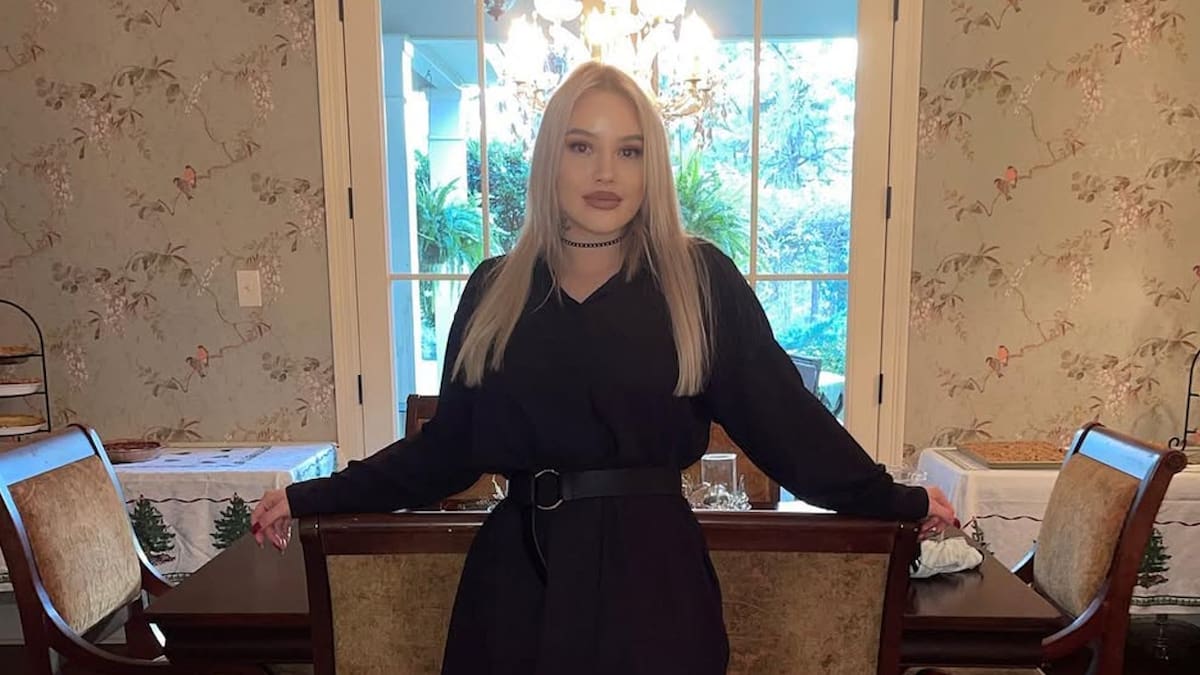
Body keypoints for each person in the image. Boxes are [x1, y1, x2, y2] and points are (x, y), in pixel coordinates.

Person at [251, 61, 956, 674]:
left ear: (652, 167)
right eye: (582, 145)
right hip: (516, 587)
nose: (606, 172)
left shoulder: (697, 282)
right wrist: (316, 495)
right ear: (550, 158)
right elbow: (446, 450)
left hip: (653, 586)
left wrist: (899, 498)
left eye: (629, 150)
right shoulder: (495, 289)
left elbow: (788, 426)